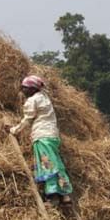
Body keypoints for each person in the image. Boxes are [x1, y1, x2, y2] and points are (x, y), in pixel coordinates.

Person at [8, 75, 73, 206]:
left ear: (32, 89)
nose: (23, 91)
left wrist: (14, 130)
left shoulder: (33, 100)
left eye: (25, 88)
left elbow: (28, 119)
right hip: (52, 136)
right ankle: (65, 196)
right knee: (56, 162)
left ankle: (53, 196)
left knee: (47, 164)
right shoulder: (45, 98)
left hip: (42, 136)